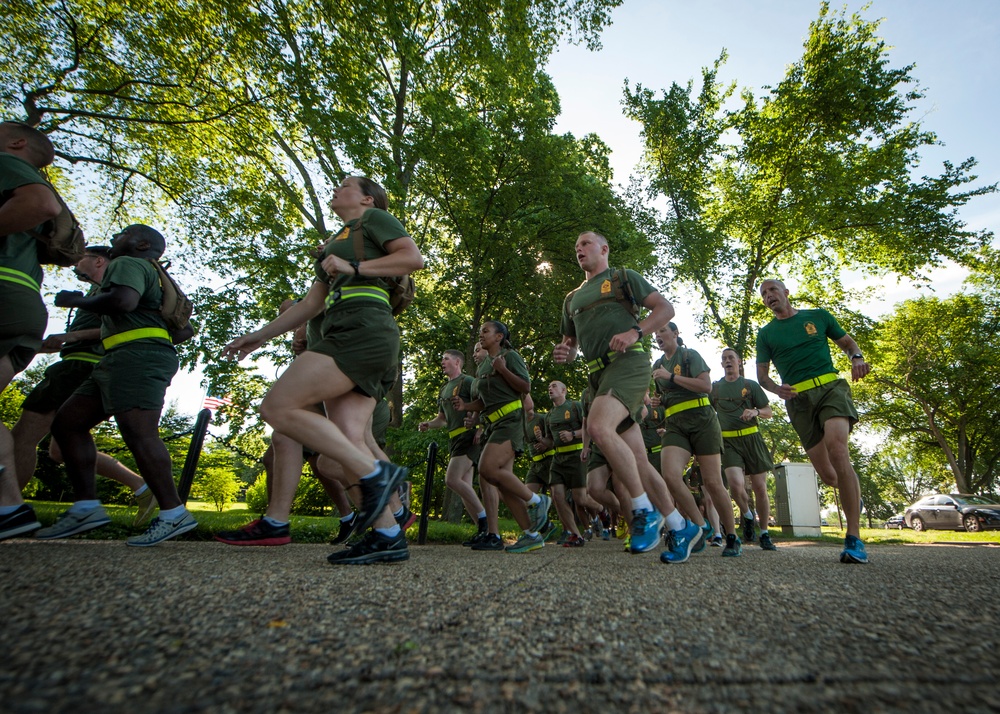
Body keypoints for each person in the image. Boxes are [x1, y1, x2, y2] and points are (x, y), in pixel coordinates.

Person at [223, 176, 423, 564]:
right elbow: (311, 305)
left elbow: (413, 258)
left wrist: (353, 265)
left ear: (366, 198)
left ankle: (378, 476)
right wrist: (259, 336)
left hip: (363, 329)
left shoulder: (374, 220)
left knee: (278, 408)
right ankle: (387, 534)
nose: (336, 189)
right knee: (340, 450)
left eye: (345, 185)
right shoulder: (334, 243)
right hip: (345, 329)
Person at [38, 224, 196, 546]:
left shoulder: (127, 264)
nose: (114, 239)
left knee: (139, 432)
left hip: (136, 357)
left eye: (122, 234)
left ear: (140, 244)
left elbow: (122, 302)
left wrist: (76, 301)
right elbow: (183, 331)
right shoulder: (155, 273)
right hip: (120, 358)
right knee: (68, 424)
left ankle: (173, 513)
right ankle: (85, 507)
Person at [12, 246, 156, 526]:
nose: (76, 264)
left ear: (99, 260)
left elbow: (119, 324)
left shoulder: (114, 290)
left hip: (80, 367)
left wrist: (71, 335)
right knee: (60, 449)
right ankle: (141, 486)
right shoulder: (97, 293)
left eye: (82, 258)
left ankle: (9, 508)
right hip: (84, 365)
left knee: (24, 437)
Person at [553, 231, 676, 554]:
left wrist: (636, 332)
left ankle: (643, 511)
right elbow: (572, 345)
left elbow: (665, 309)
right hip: (598, 376)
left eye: (585, 243)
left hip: (629, 364)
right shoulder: (571, 299)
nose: (579, 248)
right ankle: (680, 524)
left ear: (604, 249)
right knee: (638, 458)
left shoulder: (623, 277)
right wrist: (567, 353)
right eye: (576, 245)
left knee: (598, 427)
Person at [215, 300, 357, 547]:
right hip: (317, 396)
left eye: (290, 317)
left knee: (328, 462)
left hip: (336, 395)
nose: (291, 326)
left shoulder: (331, 297)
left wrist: (260, 337)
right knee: (283, 444)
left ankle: (384, 510)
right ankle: (275, 520)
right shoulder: (310, 328)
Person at [756, 278, 871, 564]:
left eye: (772, 290)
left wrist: (856, 357)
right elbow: (762, 376)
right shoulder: (766, 334)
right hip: (798, 401)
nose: (769, 296)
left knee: (838, 449)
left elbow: (847, 343)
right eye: (764, 294)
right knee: (830, 476)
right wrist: (775, 389)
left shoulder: (817, 317)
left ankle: (854, 538)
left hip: (830, 388)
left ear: (786, 293)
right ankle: (851, 490)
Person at [0, 121, 62, 540]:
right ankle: (9, 507)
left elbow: (42, 203)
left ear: (17, 142)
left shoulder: (6, 164)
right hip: (24, 302)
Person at [452, 321, 551, 553]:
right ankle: (531, 534)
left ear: (499, 336)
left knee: (487, 469)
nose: (481, 334)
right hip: (492, 424)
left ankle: (537, 501)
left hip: (510, 422)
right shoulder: (483, 366)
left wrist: (504, 369)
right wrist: (466, 405)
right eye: (481, 332)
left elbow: (525, 386)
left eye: (486, 331)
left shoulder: (510, 356)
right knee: (503, 483)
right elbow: (485, 401)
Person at [653, 322, 739, 560]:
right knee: (670, 476)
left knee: (712, 483)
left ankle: (731, 535)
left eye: (661, 331)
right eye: (655, 334)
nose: (657, 335)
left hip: (703, 421)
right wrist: (658, 402)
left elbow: (705, 386)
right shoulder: (657, 365)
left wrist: (671, 376)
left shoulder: (690, 355)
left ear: (675, 333)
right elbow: (665, 395)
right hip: (675, 425)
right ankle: (700, 527)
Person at [418, 349, 495, 549]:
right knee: (464, 487)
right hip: (454, 438)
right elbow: (441, 420)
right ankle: (484, 532)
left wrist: (479, 427)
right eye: (441, 358)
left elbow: (482, 404)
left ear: (457, 362)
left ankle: (485, 520)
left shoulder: (468, 381)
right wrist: (429, 424)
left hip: (468, 437)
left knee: (452, 479)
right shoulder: (444, 389)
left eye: (445, 358)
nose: (442, 361)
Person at [712, 347, 777, 551]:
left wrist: (755, 411)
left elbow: (769, 412)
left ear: (739, 363)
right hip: (729, 442)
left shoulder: (750, 386)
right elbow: (706, 412)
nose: (728, 361)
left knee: (760, 488)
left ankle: (764, 533)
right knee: (735, 485)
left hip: (752, 440)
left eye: (731, 358)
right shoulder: (715, 389)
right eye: (724, 359)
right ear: (722, 364)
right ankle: (748, 515)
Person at [539, 380, 603, 547]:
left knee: (580, 499)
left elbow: (589, 427)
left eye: (554, 386)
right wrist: (541, 440)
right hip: (558, 459)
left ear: (564, 390)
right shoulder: (549, 415)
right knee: (557, 496)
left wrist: (572, 434)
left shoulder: (575, 406)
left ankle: (602, 511)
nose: (550, 389)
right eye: (548, 387)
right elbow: (551, 442)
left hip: (576, 456)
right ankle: (575, 534)